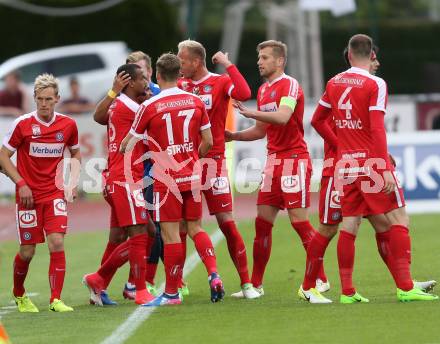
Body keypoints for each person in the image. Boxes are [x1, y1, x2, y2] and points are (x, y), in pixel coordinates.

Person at [304, 33, 438, 303]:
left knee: (349, 225)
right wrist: (385, 166)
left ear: (350, 54)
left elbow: (318, 121)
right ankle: (406, 287)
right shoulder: (375, 83)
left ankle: (348, 292)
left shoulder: (334, 82)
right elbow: (377, 127)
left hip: (346, 165)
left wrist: (341, 144)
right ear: (372, 55)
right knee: (399, 219)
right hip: (370, 163)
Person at [226, 40, 329, 297]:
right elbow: (261, 131)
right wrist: (234, 136)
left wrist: (250, 114)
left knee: (298, 222)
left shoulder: (289, 85)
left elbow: (283, 117)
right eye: (259, 57)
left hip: (294, 159)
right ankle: (256, 285)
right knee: (262, 224)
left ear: (279, 61)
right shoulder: (263, 91)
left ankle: (321, 278)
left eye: (264, 57)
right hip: (273, 162)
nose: (259, 61)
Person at [120, 53, 225, 306]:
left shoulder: (149, 106)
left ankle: (171, 293)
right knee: (195, 227)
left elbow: (127, 145)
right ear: (180, 75)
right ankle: (214, 274)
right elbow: (209, 141)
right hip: (193, 175)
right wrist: (192, 157)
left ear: (157, 75)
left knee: (170, 236)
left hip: (166, 180)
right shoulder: (195, 101)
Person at [176, 39, 259, 298]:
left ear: (196, 61)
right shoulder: (180, 85)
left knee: (226, 223)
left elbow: (244, 93)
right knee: (182, 225)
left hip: (214, 162)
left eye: (183, 59)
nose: (179, 64)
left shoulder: (220, 82)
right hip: (187, 164)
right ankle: (177, 283)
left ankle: (246, 284)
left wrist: (227, 64)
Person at [0, 73, 81, 312]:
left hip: (54, 193)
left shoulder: (68, 125)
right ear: (34, 99)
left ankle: (56, 299)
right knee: (27, 251)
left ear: (57, 98)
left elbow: (75, 153)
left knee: (56, 242)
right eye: (39, 99)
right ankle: (19, 294)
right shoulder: (23, 124)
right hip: (27, 197)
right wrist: (21, 183)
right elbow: (3, 155)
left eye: (48, 99)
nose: (44, 103)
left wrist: (72, 181)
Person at [83, 63, 156, 306]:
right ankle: (138, 290)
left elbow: (99, 116)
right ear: (130, 82)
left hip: (117, 176)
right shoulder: (134, 108)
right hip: (126, 178)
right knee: (143, 233)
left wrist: (114, 92)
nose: (148, 83)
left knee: (118, 235)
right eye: (143, 79)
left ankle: (99, 286)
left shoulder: (119, 105)